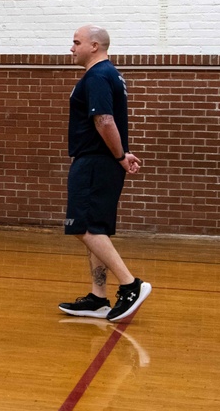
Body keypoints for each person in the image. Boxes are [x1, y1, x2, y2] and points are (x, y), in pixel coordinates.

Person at [58, 25, 151, 323]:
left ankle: (130, 284)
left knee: (83, 226)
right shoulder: (110, 74)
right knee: (95, 228)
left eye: (76, 43)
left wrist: (120, 155)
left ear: (94, 46)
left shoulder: (97, 75)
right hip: (102, 162)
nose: (71, 49)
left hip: (95, 162)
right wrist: (120, 155)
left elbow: (104, 120)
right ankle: (98, 297)